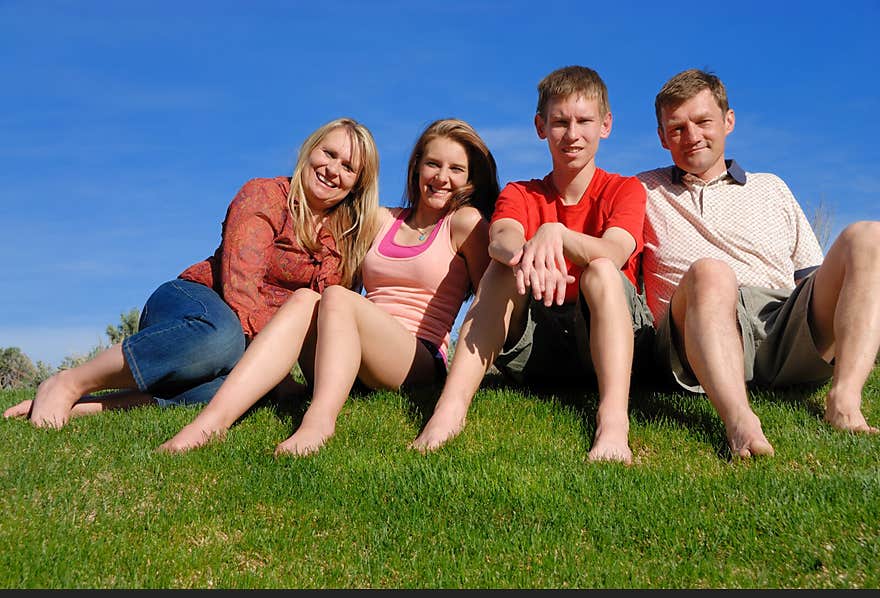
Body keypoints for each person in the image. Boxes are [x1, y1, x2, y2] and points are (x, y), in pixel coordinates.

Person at [3, 118, 381, 429]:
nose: (333, 170)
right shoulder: (263, 196)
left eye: (348, 167)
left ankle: (93, 406)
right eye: (329, 154)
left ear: (357, 185)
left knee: (243, 389)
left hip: (251, 341)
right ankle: (69, 382)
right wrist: (278, 370)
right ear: (310, 150)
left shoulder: (345, 241)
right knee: (224, 339)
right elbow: (240, 290)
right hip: (197, 302)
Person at [158, 118, 500, 456]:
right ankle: (210, 423)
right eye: (433, 164)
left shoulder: (466, 224)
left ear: (470, 178)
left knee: (336, 297)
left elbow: (490, 304)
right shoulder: (381, 220)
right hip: (354, 351)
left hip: (416, 357)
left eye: (456, 169)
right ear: (416, 168)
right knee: (308, 298)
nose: (442, 177)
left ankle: (318, 422)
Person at [411, 66, 654, 464]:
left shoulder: (624, 189)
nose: (571, 134)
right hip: (539, 341)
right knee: (501, 269)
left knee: (600, 271)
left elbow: (615, 250)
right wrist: (526, 250)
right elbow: (502, 238)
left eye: (583, 121)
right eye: (559, 122)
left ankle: (612, 423)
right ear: (541, 126)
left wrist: (556, 234)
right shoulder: (521, 193)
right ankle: (448, 412)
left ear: (606, 125)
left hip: (611, 335)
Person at [637, 68, 880, 459]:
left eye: (702, 122)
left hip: (781, 321)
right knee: (710, 271)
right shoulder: (642, 191)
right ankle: (740, 421)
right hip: (697, 330)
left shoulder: (772, 187)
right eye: (677, 128)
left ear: (728, 121)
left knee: (870, 236)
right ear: (662, 137)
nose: (692, 136)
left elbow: (813, 278)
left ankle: (845, 399)